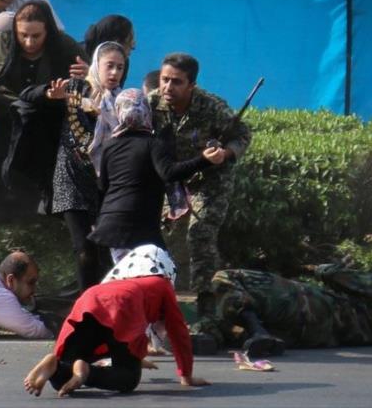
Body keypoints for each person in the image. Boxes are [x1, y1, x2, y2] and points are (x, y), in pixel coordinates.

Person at [0, 0, 87, 253]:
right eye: (23, 35)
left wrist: (86, 73)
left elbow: (91, 79)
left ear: (48, 30)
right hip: (2, 118)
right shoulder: (0, 43)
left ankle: (49, 225)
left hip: (45, 119)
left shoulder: (65, 47)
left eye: (36, 36)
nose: (29, 42)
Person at [22, 247, 210, 397]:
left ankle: (53, 365)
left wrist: (137, 357)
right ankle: (88, 371)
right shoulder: (161, 284)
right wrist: (186, 375)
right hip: (124, 306)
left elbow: (112, 333)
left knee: (63, 375)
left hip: (90, 299)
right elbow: (178, 332)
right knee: (128, 379)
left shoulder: (116, 280)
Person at [149, 53, 252, 297]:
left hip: (211, 179)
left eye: (176, 82)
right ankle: (166, 296)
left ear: (192, 85)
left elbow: (243, 135)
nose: (167, 87)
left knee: (200, 234)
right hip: (174, 179)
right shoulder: (152, 103)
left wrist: (225, 154)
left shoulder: (212, 106)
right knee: (164, 235)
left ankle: (206, 300)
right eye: (164, 80)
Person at [88, 88, 225, 264]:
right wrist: (204, 160)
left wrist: (97, 220)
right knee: (161, 274)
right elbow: (169, 173)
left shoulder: (109, 146)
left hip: (110, 223)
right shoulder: (153, 144)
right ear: (146, 112)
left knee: (129, 276)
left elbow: (103, 187)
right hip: (139, 224)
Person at [191, 264, 372, 357]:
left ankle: (253, 331)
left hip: (304, 304)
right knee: (226, 313)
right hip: (302, 336)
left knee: (228, 277)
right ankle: (209, 335)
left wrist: (313, 268)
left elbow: (331, 273)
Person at [45, 41, 128, 290]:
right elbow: (34, 99)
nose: (114, 73)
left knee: (105, 250)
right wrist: (50, 97)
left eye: (120, 68)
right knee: (84, 249)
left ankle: (102, 305)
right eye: (109, 66)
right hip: (70, 178)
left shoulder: (121, 102)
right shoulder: (73, 89)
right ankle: (85, 308)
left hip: (103, 182)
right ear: (96, 65)